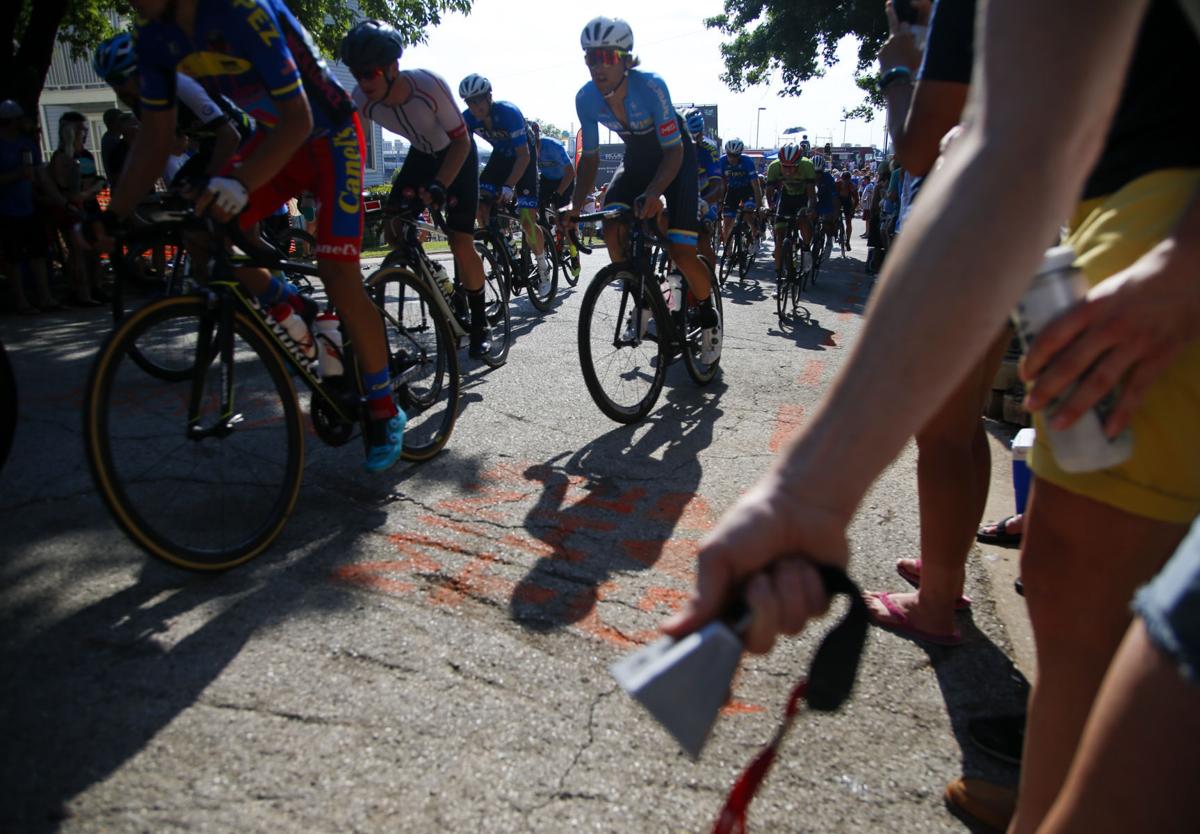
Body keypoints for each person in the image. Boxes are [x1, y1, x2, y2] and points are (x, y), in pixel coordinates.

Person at [660, 5, 1200, 834]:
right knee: (1065, 589)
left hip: (1165, 216)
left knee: (1093, 600)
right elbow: (1002, 152)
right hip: (1117, 209)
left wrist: (1184, 263)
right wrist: (807, 492)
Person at [101, 0, 407, 473]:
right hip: (273, 141)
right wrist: (108, 218)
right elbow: (156, 136)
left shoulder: (240, 12)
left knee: (338, 273)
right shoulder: (154, 37)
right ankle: (298, 311)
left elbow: (300, 118)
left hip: (328, 138)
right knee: (208, 235)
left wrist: (240, 183)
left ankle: (385, 408)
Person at [566, 16, 721, 364]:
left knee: (682, 252)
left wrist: (654, 193)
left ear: (624, 58)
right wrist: (575, 206)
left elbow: (674, 152)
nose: (598, 66)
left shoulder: (650, 87)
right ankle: (645, 299)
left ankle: (709, 319)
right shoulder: (586, 99)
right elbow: (589, 159)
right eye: (591, 57)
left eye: (607, 57)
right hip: (637, 156)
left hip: (674, 155)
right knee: (611, 226)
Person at [341, 19, 493, 358]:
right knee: (395, 227)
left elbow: (460, 141)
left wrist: (441, 184)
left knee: (459, 239)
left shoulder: (427, 85)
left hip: (457, 154)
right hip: (421, 155)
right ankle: (436, 277)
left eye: (371, 73)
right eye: (357, 73)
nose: (363, 82)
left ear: (393, 67)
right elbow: (356, 151)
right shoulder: (361, 99)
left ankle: (480, 325)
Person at [458, 73, 551, 293]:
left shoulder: (509, 113)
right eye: (470, 102)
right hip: (501, 156)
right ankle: (502, 248)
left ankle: (542, 265)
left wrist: (509, 186)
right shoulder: (467, 118)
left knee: (527, 220)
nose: (475, 106)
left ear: (489, 96)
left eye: (479, 99)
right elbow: (462, 152)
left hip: (523, 157)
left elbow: (524, 156)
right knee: (481, 205)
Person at [0, 100, 57, 313]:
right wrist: (17, 174)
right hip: (6, 209)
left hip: (29, 206)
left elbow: (40, 174)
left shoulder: (27, 143)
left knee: (38, 252)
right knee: (13, 256)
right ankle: (21, 300)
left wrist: (60, 200)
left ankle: (45, 297)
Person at [46, 112, 106, 306]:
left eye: (85, 129)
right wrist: (93, 187)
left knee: (95, 249)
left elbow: (91, 180)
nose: (85, 133)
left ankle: (96, 287)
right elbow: (71, 191)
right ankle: (81, 293)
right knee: (77, 251)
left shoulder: (86, 155)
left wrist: (94, 186)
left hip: (91, 206)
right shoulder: (61, 157)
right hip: (72, 210)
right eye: (81, 129)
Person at [763, 142, 816, 296]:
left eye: (792, 167)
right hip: (785, 198)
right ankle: (779, 280)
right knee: (779, 238)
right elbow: (768, 194)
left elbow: (812, 195)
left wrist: (810, 209)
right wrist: (768, 206)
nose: (788, 170)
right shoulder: (773, 167)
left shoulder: (807, 166)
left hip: (802, 198)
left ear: (799, 163)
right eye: (784, 166)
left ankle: (806, 249)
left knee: (803, 221)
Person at [531, 121, 580, 280]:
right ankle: (547, 239)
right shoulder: (526, 150)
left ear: (538, 140)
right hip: (546, 180)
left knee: (564, 220)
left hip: (564, 179)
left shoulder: (552, 145)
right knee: (536, 209)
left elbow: (571, 172)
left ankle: (573, 252)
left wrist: (558, 193)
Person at [685, 108, 723, 270]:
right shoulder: (673, 146)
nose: (691, 143)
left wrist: (704, 202)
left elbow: (718, 187)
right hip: (683, 195)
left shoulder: (709, 150)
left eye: (695, 137)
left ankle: (708, 285)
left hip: (705, 197)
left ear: (700, 135)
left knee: (702, 239)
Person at [719, 137, 762, 252]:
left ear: (740, 154)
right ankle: (728, 255)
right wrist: (720, 201)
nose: (732, 159)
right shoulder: (722, 162)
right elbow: (722, 184)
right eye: (729, 155)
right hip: (732, 190)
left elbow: (755, 185)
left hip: (747, 190)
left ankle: (755, 234)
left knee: (748, 214)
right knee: (727, 224)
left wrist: (759, 205)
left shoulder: (747, 162)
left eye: (735, 156)